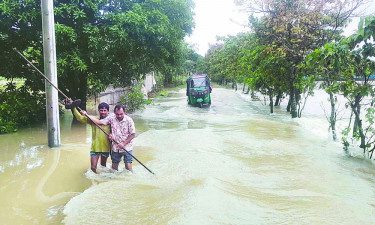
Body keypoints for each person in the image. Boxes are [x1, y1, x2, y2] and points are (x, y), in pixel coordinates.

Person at [85, 104, 136, 172]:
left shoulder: (129, 120)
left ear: (124, 112)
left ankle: (130, 179)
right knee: (114, 168)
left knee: (128, 166)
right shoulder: (111, 118)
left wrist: (123, 143)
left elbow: (133, 135)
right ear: (114, 113)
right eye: (117, 114)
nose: (119, 116)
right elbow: (100, 122)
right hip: (115, 147)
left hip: (127, 147)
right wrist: (86, 115)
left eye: (121, 114)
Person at [71, 101, 111, 173]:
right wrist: (73, 108)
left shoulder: (111, 121)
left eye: (105, 110)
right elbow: (80, 118)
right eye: (101, 110)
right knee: (93, 167)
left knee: (103, 166)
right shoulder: (93, 119)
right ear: (98, 111)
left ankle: (102, 180)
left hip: (106, 147)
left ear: (108, 111)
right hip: (95, 147)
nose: (103, 112)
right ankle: (93, 181)